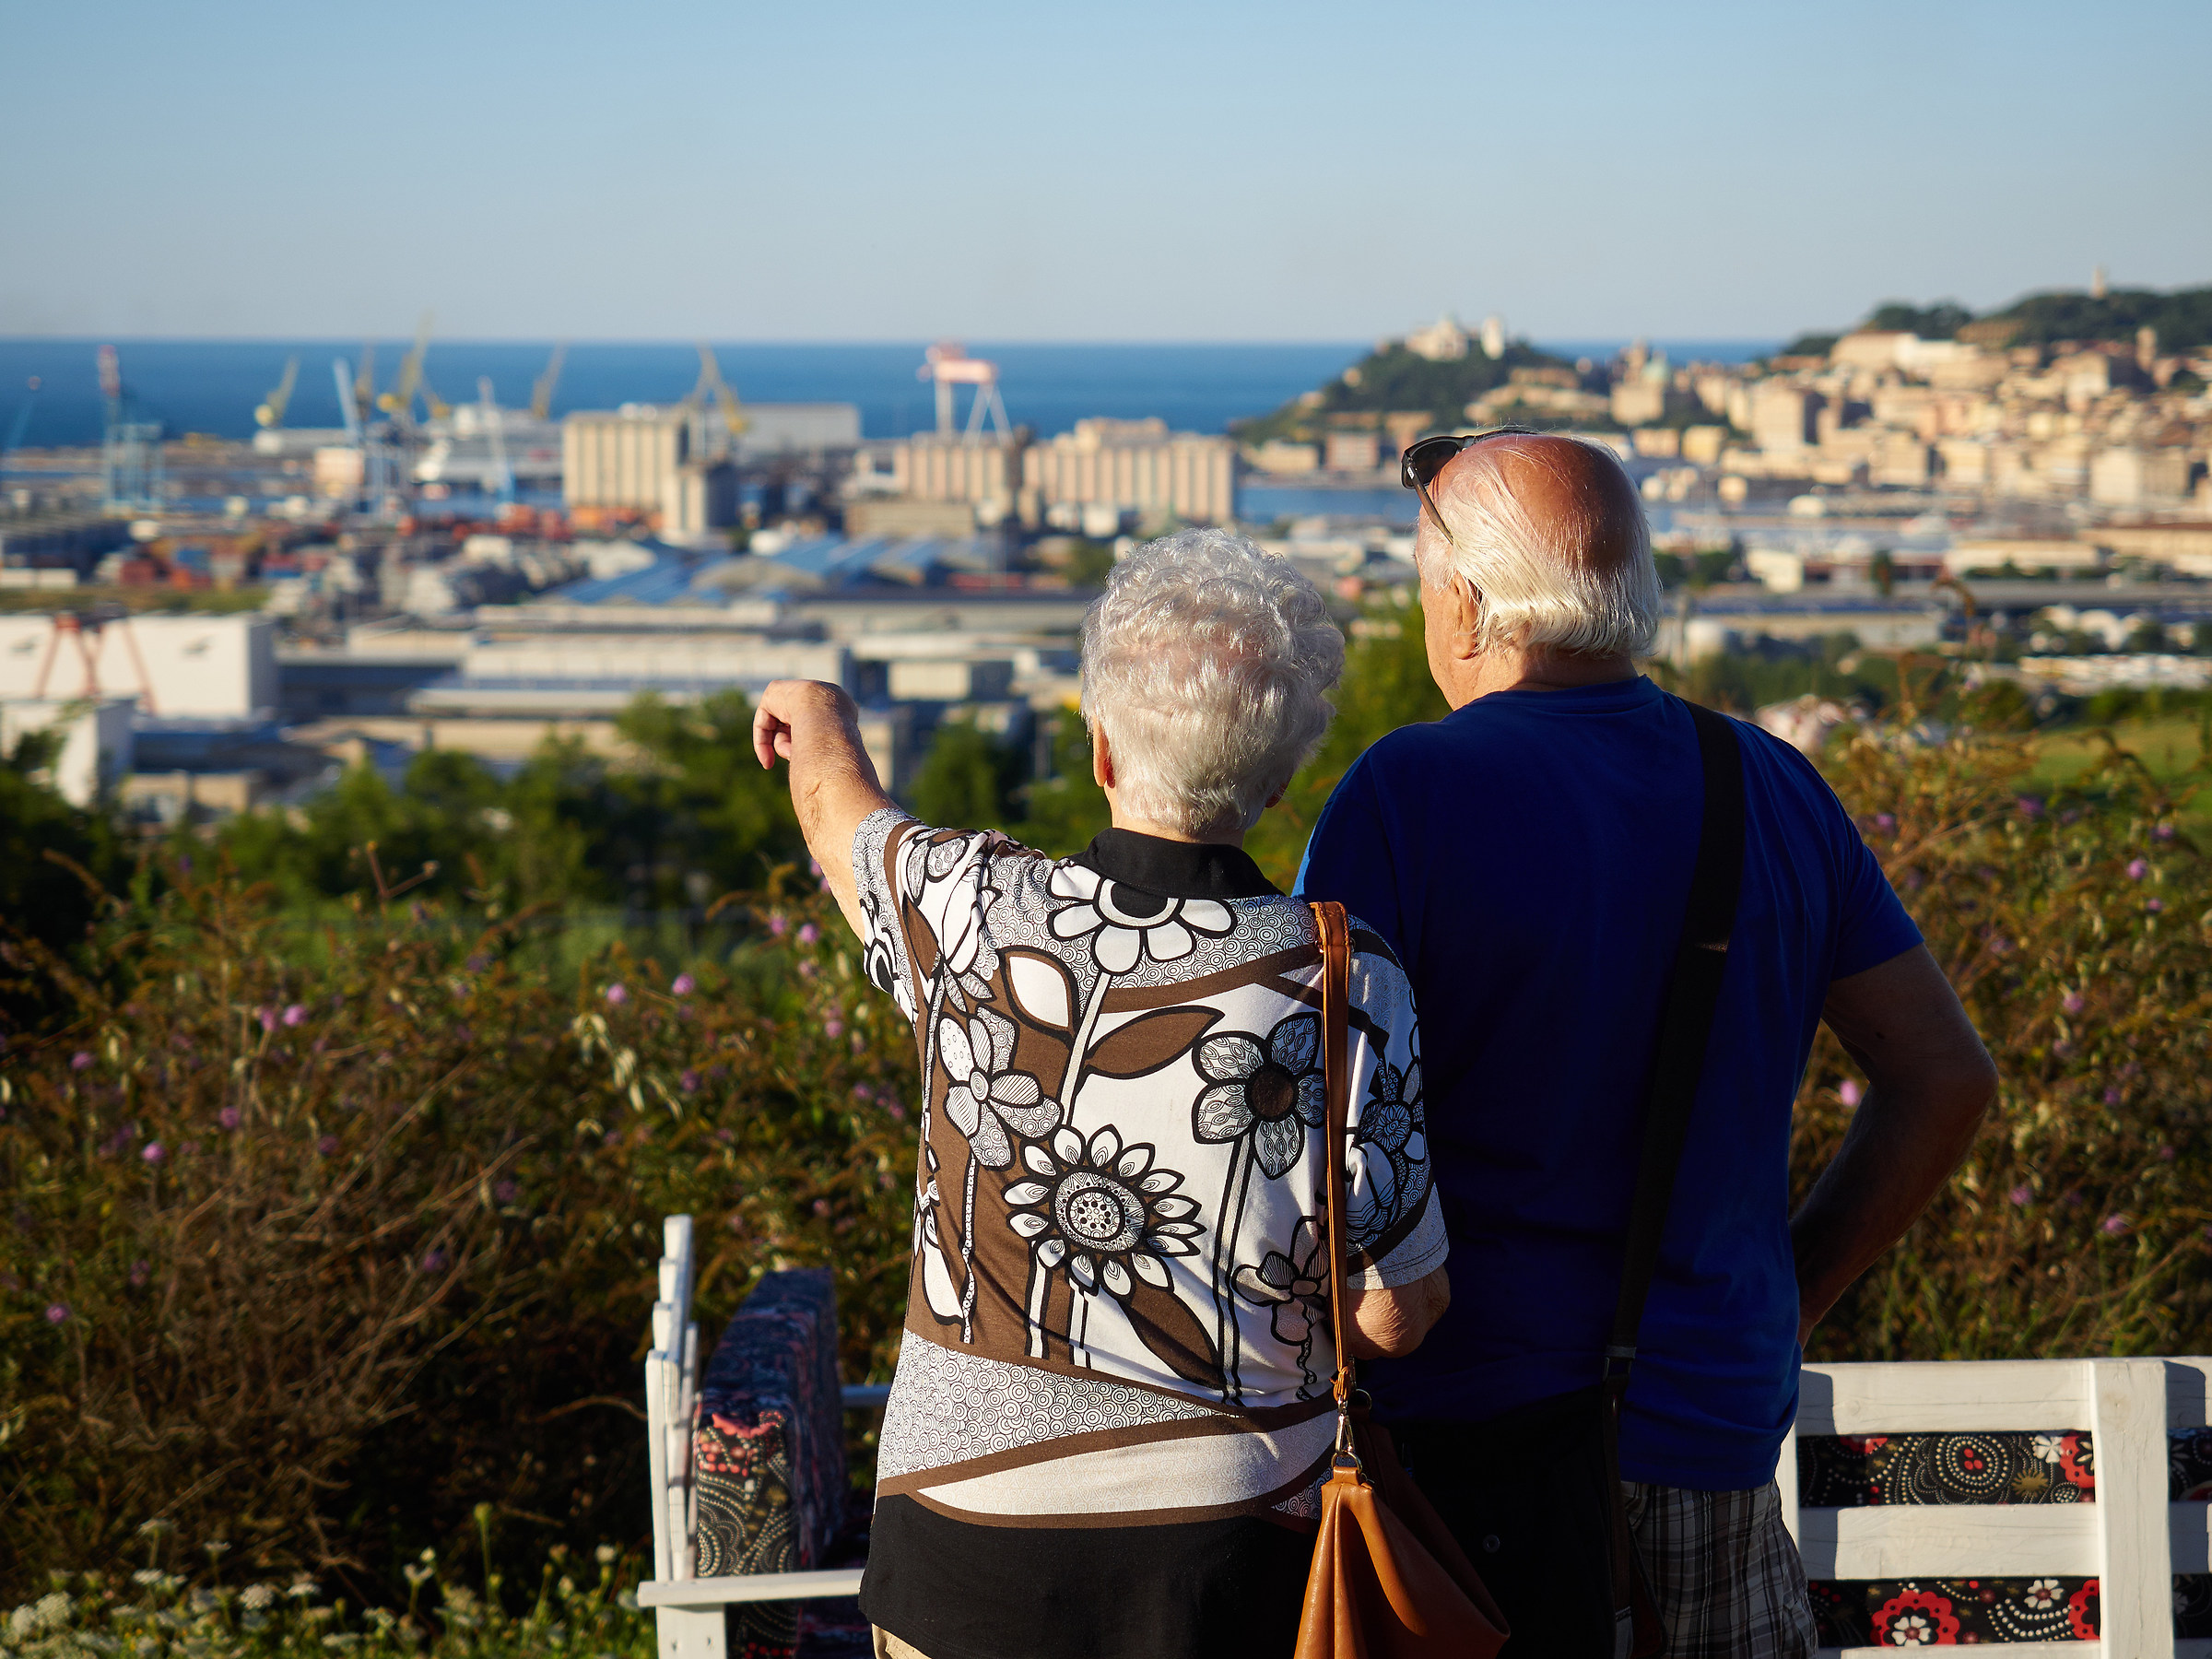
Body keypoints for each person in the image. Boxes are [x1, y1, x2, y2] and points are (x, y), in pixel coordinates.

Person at [1296, 430, 1998, 1659]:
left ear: (1464, 604)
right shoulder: (1769, 786)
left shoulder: (1404, 797)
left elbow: (1306, 1114)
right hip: (1713, 1437)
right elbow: (1944, 1078)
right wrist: (1794, 1296)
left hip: (1470, 1454)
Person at [751, 528, 1454, 1659]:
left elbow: (840, 820)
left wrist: (813, 708)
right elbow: (1394, 1315)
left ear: (1100, 751)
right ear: (1278, 785)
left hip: (956, 1550)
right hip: (1219, 1561)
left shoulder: (968, 911)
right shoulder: (1345, 980)